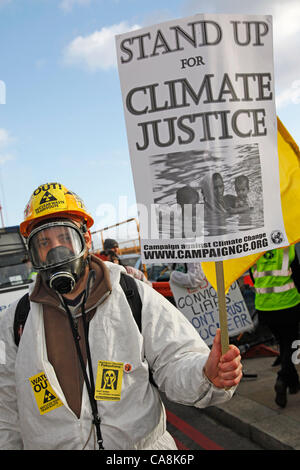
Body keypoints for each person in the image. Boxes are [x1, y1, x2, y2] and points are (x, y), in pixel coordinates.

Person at [0, 182, 242, 450]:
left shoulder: (132, 295)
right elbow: (6, 408)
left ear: (86, 239)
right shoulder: (15, 321)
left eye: (66, 237)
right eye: (44, 242)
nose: (57, 250)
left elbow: (175, 359)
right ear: (33, 252)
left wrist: (204, 374)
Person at [251, 246, 300, 408]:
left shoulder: (254, 247)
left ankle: (293, 383)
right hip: (288, 304)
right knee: (291, 344)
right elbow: (298, 275)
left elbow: (253, 277)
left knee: (284, 344)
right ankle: (282, 377)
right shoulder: (287, 247)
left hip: (264, 307)